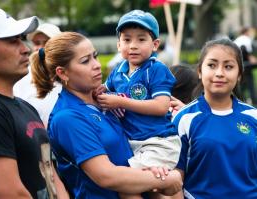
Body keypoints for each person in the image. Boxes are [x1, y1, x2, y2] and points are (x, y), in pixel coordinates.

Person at [30, 31, 183, 198]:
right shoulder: (67, 117)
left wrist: (154, 166)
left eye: (95, 56)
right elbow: (106, 176)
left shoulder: (105, 99)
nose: (96, 64)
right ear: (63, 73)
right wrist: (163, 179)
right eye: (85, 61)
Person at [0, 7, 69, 199]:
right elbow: (10, 194)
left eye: (22, 39)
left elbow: (52, 180)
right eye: (12, 41)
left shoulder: (24, 107)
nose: (25, 48)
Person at [95, 10, 181, 198]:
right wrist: (96, 91)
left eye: (141, 40)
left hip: (157, 143)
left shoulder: (156, 69)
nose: (133, 46)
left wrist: (120, 101)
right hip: (134, 144)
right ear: (119, 45)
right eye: (127, 40)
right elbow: (103, 89)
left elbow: (160, 107)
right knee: (152, 191)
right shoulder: (118, 71)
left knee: (125, 184)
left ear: (155, 44)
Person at [172, 38, 257, 198]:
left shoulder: (253, 117)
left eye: (228, 67)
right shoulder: (184, 119)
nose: (219, 73)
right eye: (212, 65)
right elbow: (176, 179)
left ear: (239, 74)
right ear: (199, 71)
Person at [14, 23, 62, 127]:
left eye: (46, 42)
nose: (40, 48)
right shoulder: (21, 76)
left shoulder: (71, 73)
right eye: (36, 43)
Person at [234, 27, 257, 105]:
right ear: (246, 32)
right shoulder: (246, 39)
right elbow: (249, 55)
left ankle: (241, 100)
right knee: (250, 82)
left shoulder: (236, 40)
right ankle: (254, 100)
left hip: (237, 65)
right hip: (246, 64)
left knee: (241, 84)